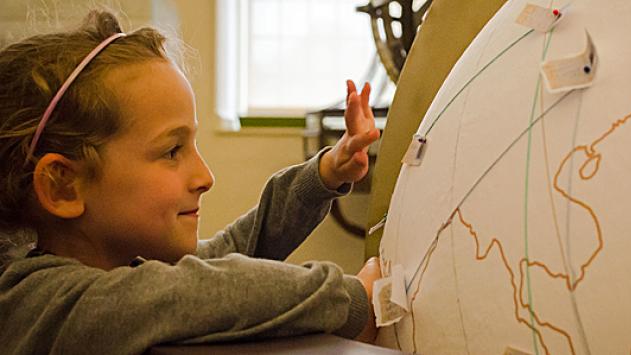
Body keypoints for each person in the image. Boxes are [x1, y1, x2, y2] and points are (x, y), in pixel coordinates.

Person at [0, 10, 382, 355]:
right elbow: (208, 291)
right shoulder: (39, 302)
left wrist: (323, 175)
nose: (205, 177)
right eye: (171, 151)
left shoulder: (120, 267)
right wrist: (351, 299)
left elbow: (230, 253)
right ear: (63, 186)